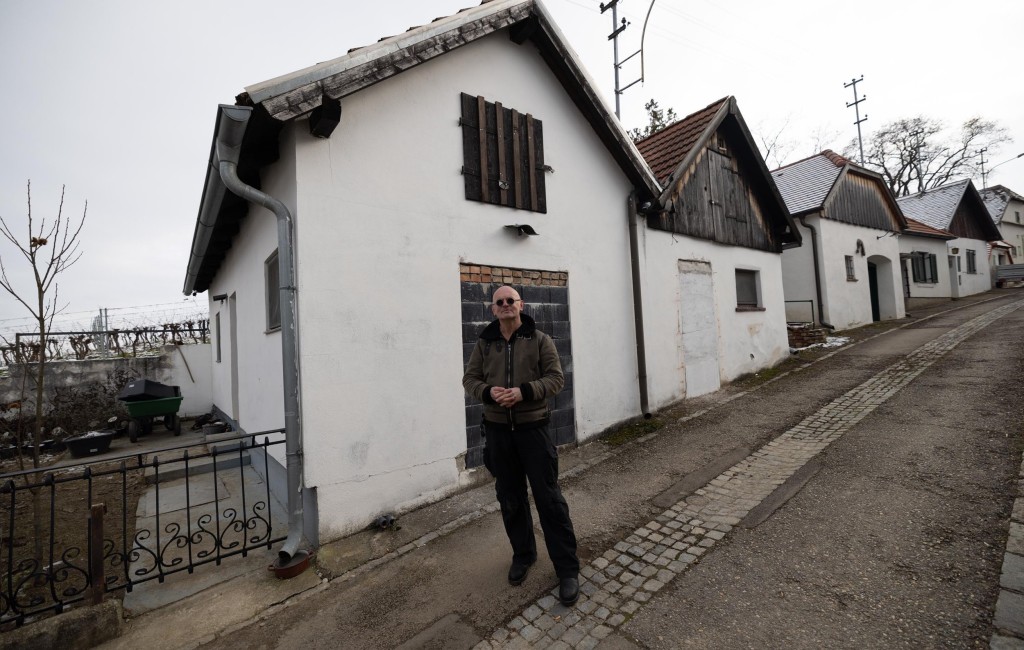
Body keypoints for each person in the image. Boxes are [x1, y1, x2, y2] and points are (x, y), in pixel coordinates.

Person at [462, 285, 580, 606]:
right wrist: (488, 393)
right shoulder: (485, 343)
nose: (505, 305)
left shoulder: (539, 340)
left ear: (520, 305)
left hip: (534, 432)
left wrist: (523, 392)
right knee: (510, 498)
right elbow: (470, 379)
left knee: (549, 500)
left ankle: (567, 569)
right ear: (493, 309)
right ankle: (524, 555)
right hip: (499, 434)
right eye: (499, 302)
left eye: (510, 300)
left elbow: (556, 378)